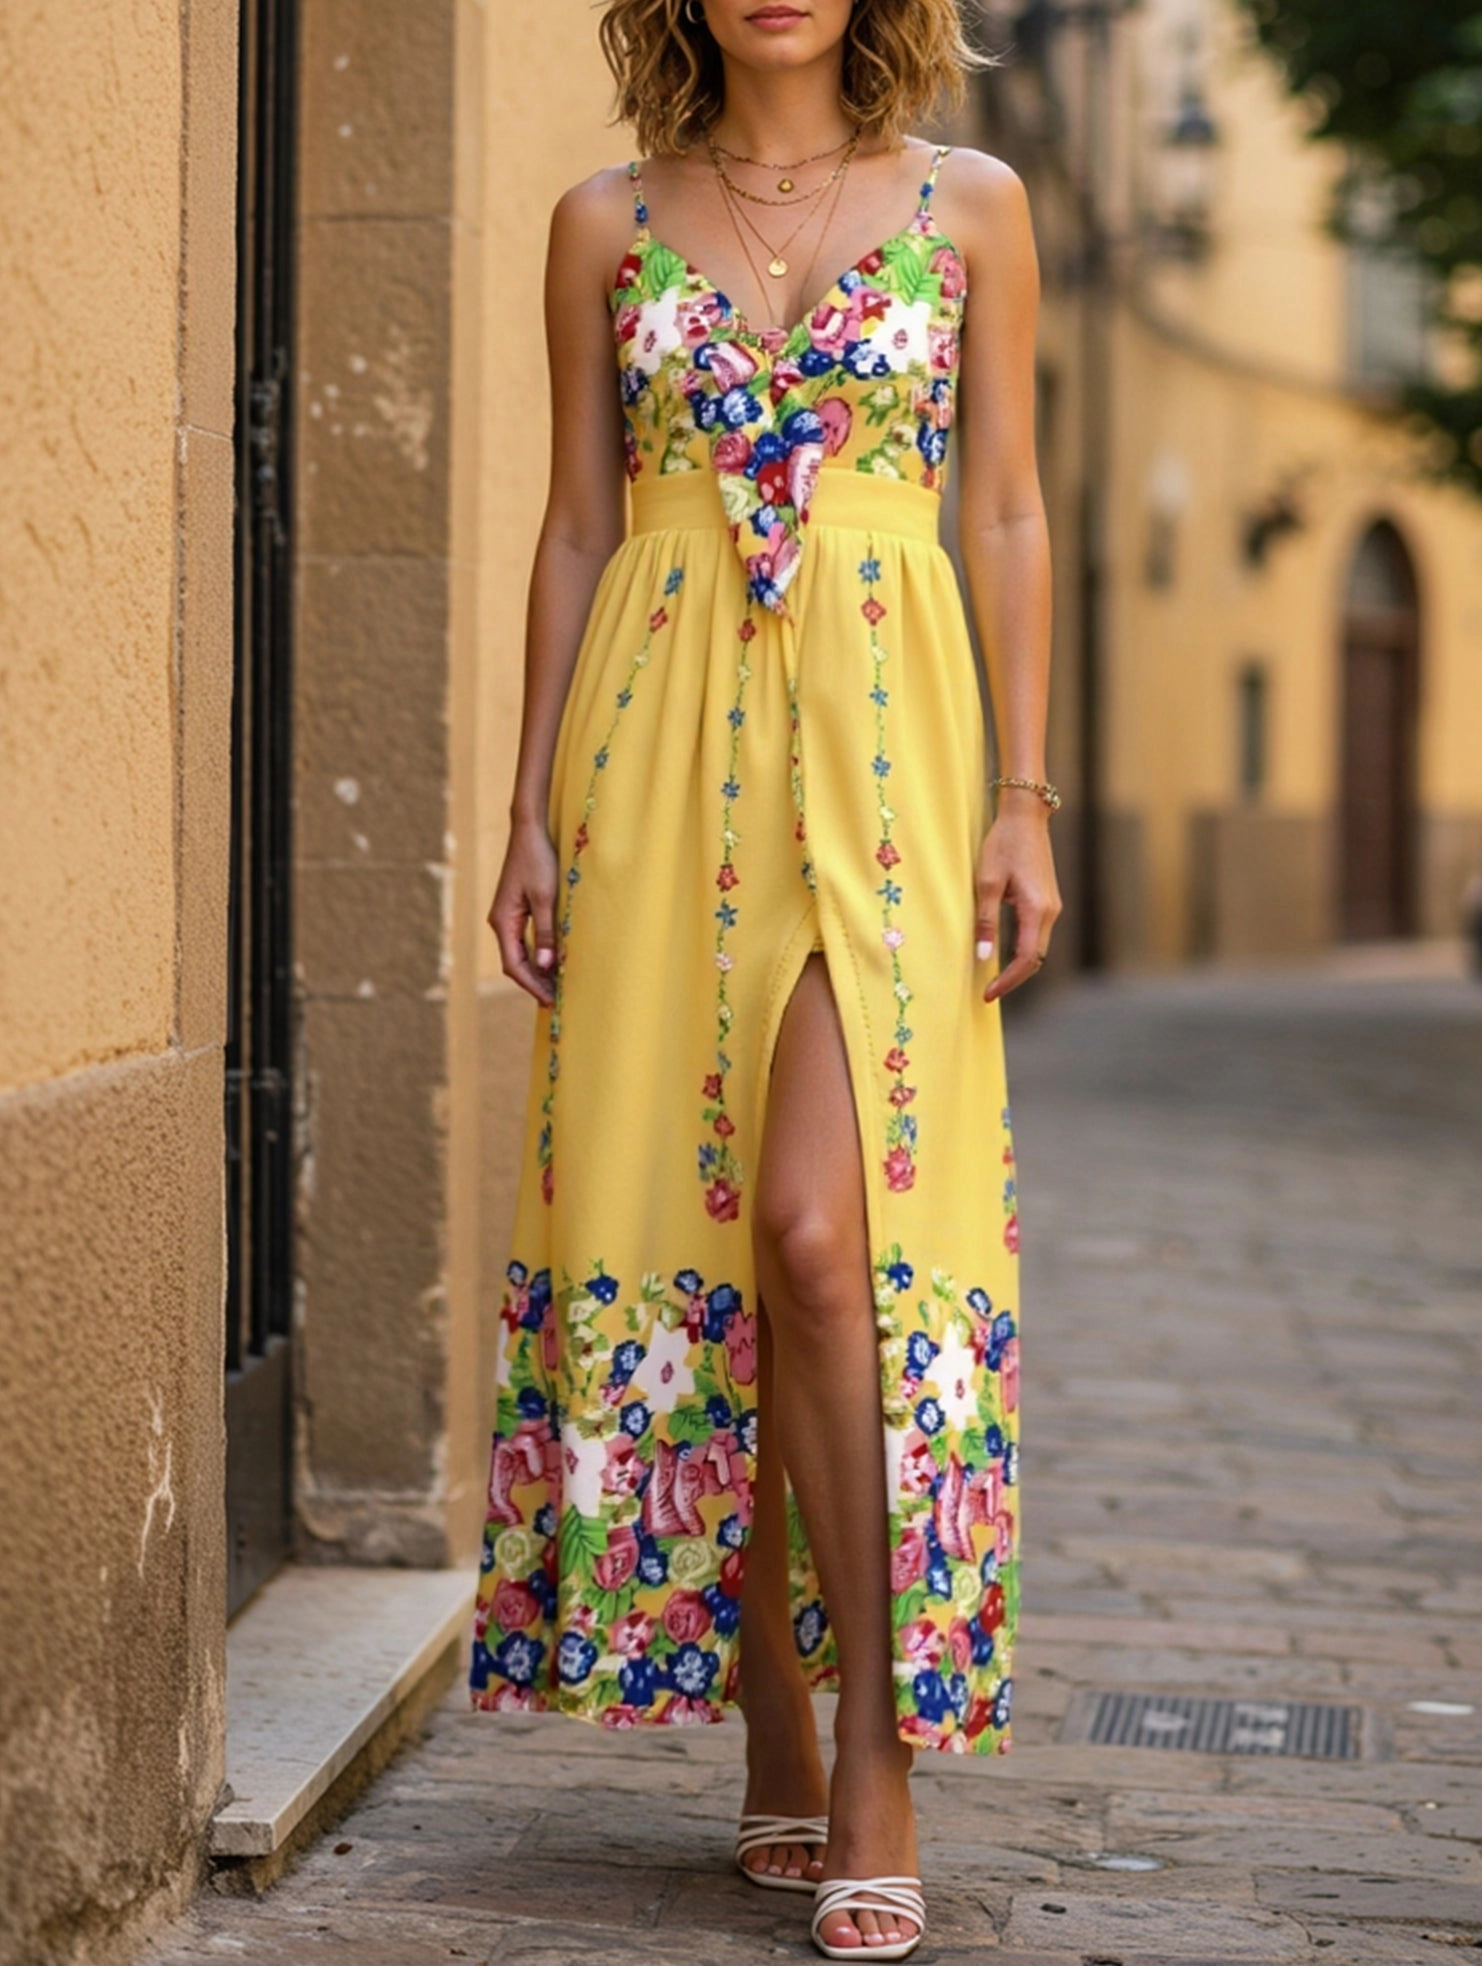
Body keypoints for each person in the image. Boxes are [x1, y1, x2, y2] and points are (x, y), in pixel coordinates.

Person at [471, 1, 1060, 1956]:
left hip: (893, 759)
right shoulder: (600, 217)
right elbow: (574, 524)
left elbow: (1005, 510)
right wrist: (533, 810)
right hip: (660, 759)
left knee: (827, 1231)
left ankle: (876, 1757)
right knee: (708, 1242)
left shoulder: (970, 205)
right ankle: (771, 1716)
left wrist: (1024, 802)